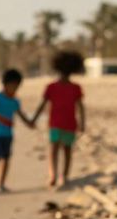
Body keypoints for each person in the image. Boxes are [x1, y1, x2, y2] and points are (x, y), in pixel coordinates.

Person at [30, 51, 87, 188]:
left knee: (59, 149)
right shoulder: (54, 87)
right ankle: (56, 176)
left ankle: (59, 176)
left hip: (64, 124)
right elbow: (80, 108)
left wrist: (33, 120)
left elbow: (80, 107)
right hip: (59, 123)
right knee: (60, 149)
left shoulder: (74, 88)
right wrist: (82, 123)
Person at [0, 69, 35, 194]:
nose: (14, 89)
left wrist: (29, 123)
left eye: (17, 86)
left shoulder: (15, 101)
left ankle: (2, 184)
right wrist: (4, 121)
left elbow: (20, 114)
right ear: (5, 84)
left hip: (8, 134)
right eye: (13, 86)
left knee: (6, 158)